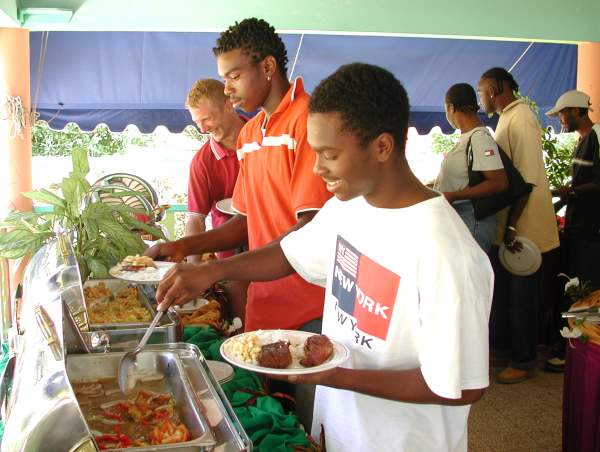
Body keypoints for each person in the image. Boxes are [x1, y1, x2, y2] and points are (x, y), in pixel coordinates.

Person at [156, 63, 492, 452]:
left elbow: (462, 386)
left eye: (329, 154)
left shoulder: (447, 251)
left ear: (382, 146)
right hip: (339, 432)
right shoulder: (347, 208)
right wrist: (210, 269)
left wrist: (334, 375)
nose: (317, 169)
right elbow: (287, 254)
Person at [147, 18, 331, 332]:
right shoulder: (250, 136)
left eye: (234, 76)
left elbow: (309, 228)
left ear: (268, 66)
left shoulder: (308, 122)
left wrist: (215, 270)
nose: (228, 90)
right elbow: (246, 221)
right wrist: (183, 247)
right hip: (264, 303)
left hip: (310, 309)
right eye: (224, 78)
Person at [477, 67, 560, 383]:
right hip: (509, 225)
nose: (481, 96)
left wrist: (511, 227)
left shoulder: (522, 117)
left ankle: (524, 360)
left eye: (482, 90)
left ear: (497, 88)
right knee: (506, 297)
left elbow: (525, 181)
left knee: (522, 300)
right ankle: (504, 348)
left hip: (523, 228)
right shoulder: (508, 117)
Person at [544, 89, 600, 371]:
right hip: (578, 228)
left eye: (563, 113)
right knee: (573, 286)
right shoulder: (582, 142)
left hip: (592, 232)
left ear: (578, 111)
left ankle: (577, 351)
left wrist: (572, 191)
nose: (561, 119)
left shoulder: (596, 138)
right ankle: (571, 346)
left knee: (586, 291)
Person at [434, 83, 508, 252]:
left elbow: (499, 182)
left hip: (473, 221)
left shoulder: (479, 138)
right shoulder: (468, 137)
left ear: (451, 107)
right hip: (461, 220)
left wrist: (454, 195)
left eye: (446, 109)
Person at [184, 79, 245, 261]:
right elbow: (196, 220)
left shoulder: (264, 140)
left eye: (206, 119)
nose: (202, 129)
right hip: (228, 259)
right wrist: (192, 268)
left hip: (271, 249)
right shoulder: (201, 162)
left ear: (228, 105)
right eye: (197, 122)